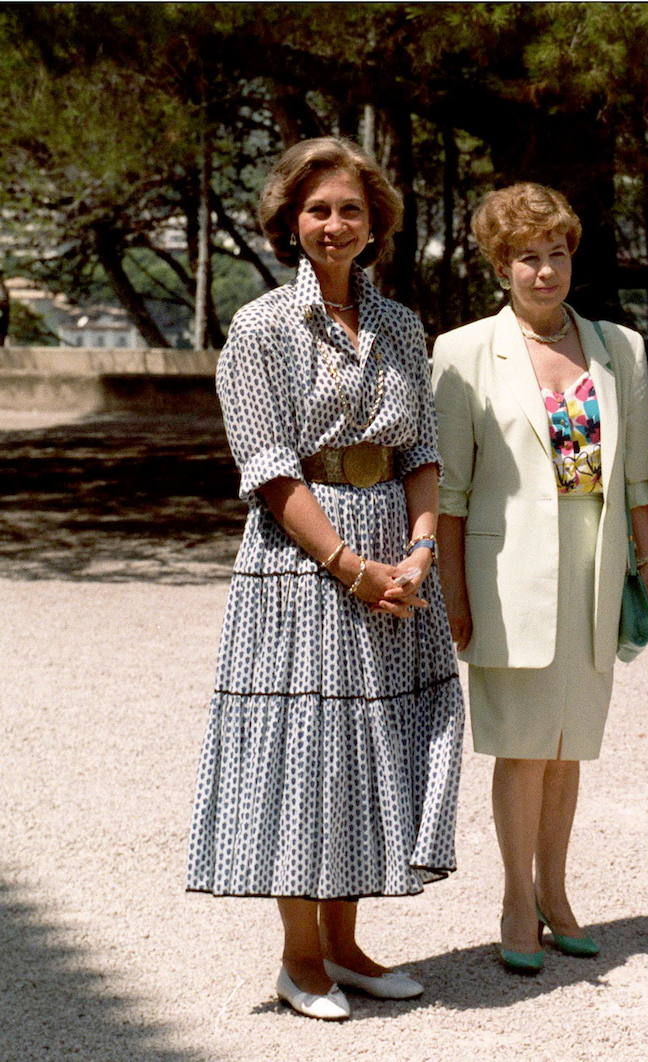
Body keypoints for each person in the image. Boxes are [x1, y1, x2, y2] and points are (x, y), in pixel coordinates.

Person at [185, 137, 463, 1020]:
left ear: (374, 220)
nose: (334, 224)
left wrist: (417, 551)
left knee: (370, 745)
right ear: (290, 224)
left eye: (349, 208)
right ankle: (299, 959)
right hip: (305, 561)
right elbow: (269, 466)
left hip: (394, 547)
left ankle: (345, 946)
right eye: (317, 211)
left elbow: (420, 446)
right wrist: (349, 567)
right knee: (308, 749)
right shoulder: (261, 327)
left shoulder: (400, 326)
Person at [430, 183, 648, 974]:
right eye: (527, 257)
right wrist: (453, 593)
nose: (544, 271)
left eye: (556, 254)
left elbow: (635, 479)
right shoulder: (463, 351)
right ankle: (513, 898)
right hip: (506, 578)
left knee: (568, 749)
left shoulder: (620, 348)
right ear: (502, 265)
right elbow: (452, 490)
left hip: (593, 573)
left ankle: (558, 894)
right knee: (523, 749)